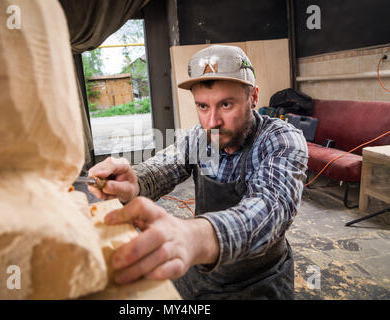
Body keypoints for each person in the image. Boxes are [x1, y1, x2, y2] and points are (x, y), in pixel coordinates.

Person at [88, 45, 308, 299]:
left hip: (258, 282)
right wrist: (134, 181)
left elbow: (270, 209)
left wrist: (194, 237)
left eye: (226, 104)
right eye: (202, 106)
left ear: (254, 97)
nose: (212, 121)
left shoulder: (281, 139)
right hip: (200, 274)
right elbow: (162, 167)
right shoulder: (199, 137)